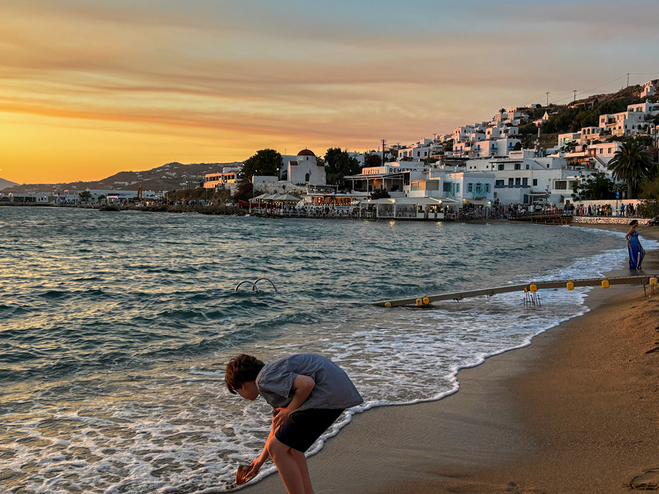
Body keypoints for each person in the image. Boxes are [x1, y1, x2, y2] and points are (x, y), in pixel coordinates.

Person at [225, 353, 363, 494]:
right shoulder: (270, 379)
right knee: (290, 447)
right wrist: (260, 460)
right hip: (337, 390)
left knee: (278, 448)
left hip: (327, 393)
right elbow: (277, 428)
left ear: (243, 386)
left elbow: (307, 384)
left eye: (237, 391)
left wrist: (290, 409)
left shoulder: (263, 380)